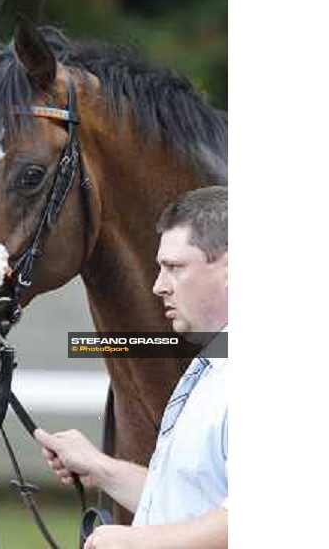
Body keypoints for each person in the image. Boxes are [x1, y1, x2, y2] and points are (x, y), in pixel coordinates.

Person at [35, 186, 228, 549]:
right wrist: (99, 467)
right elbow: (185, 505)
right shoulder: (215, 364)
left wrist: (139, 542)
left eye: (174, 268)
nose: (158, 286)